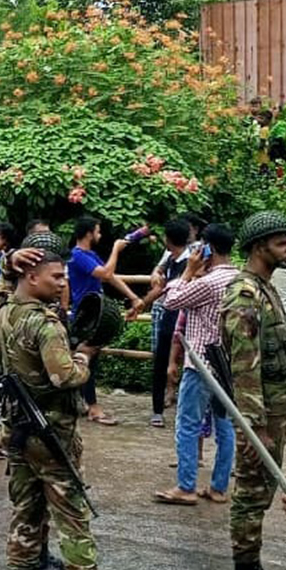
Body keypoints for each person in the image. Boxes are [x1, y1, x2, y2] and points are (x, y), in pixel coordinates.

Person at [0, 248, 116, 570]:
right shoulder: (46, 325)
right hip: (52, 435)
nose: (63, 283)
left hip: (17, 432)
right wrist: (85, 356)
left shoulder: (3, 312)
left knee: (25, 512)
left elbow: (0, 289)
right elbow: (64, 376)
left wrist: (6, 263)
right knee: (73, 517)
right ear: (32, 278)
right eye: (56, 277)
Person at [220, 211, 286, 570]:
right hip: (259, 417)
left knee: (261, 495)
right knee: (250, 499)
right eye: (281, 243)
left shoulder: (265, 289)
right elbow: (244, 367)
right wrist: (254, 429)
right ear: (259, 247)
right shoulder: (245, 297)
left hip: (274, 414)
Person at [152, 224, 237, 507]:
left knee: (187, 424)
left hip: (200, 362)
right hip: (228, 364)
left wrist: (188, 271)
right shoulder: (239, 279)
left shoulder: (207, 283)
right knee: (225, 426)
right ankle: (219, 487)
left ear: (208, 248)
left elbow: (171, 301)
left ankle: (186, 485)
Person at [68, 216, 143, 426]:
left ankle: (84, 402)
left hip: (95, 314)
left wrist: (134, 297)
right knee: (86, 359)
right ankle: (92, 407)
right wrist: (116, 249)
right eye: (98, 231)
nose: (99, 235)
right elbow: (105, 273)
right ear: (89, 233)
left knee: (91, 360)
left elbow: (111, 277)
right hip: (84, 315)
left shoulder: (89, 254)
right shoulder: (77, 256)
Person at [129, 220, 192, 427]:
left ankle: (180, 411)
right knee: (161, 362)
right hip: (171, 317)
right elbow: (161, 288)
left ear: (168, 239)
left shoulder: (190, 263)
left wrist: (140, 304)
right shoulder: (173, 261)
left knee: (186, 365)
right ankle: (158, 409)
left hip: (183, 319)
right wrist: (141, 305)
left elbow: (166, 290)